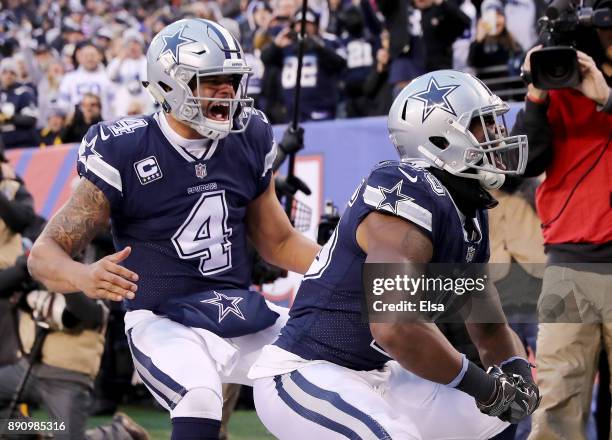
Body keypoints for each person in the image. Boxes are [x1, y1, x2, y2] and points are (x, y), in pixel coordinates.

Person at [27, 18, 320, 440]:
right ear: (169, 85)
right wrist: (84, 276)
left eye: (233, 81)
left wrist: (339, 264)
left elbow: (278, 240)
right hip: (164, 318)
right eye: (212, 81)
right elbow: (44, 252)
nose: (227, 93)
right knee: (200, 398)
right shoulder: (125, 147)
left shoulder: (249, 135)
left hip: (237, 308)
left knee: (331, 364)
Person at [248, 69, 541, 439]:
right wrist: (487, 388)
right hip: (307, 369)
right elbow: (394, 326)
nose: (498, 135)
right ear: (439, 136)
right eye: (483, 124)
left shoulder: (470, 211)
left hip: (381, 372)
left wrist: (516, 372)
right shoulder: (406, 191)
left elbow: (489, 326)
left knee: (494, 419)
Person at [510, 0, 612, 437]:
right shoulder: (555, 87)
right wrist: (536, 94)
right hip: (571, 261)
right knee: (556, 401)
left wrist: (606, 97)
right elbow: (527, 163)